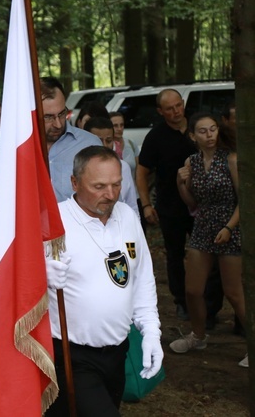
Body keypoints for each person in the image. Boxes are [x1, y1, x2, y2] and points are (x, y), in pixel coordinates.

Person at [44, 146, 162, 417]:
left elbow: (142, 280)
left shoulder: (127, 217)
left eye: (116, 184)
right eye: (99, 186)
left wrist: (151, 331)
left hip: (117, 352)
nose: (110, 195)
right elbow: (15, 282)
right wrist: (41, 275)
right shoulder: (53, 223)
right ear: (74, 182)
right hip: (71, 356)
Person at [168, 113, 247, 366]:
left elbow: (243, 201)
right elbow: (193, 203)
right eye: (203, 131)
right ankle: (198, 336)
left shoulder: (231, 160)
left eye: (212, 129)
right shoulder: (191, 161)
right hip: (203, 226)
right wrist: (182, 184)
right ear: (193, 136)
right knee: (192, 290)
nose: (209, 135)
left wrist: (229, 227)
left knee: (234, 293)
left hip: (230, 226)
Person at [136, 89, 197, 319]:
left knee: (210, 255)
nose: (176, 112)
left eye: (178, 106)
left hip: (203, 206)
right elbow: (142, 173)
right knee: (175, 255)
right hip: (171, 206)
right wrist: (146, 205)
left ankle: (209, 307)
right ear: (161, 111)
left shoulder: (198, 126)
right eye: (169, 108)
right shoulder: (156, 137)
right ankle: (181, 302)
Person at [41, 77, 102, 202]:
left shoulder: (89, 145)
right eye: (48, 117)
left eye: (62, 113)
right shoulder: (18, 149)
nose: (58, 124)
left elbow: (108, 198)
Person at [84, 117, 139, 218]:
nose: (104, 145)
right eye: (98, 140)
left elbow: (132, 206)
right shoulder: (79, 169)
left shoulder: (124, 168)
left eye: (108, 141)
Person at [109, 111, 140, 182]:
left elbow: (138, 173)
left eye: (122, 125)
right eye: (115, 126)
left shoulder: (131, 144)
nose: (119, 129)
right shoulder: (106, 147)